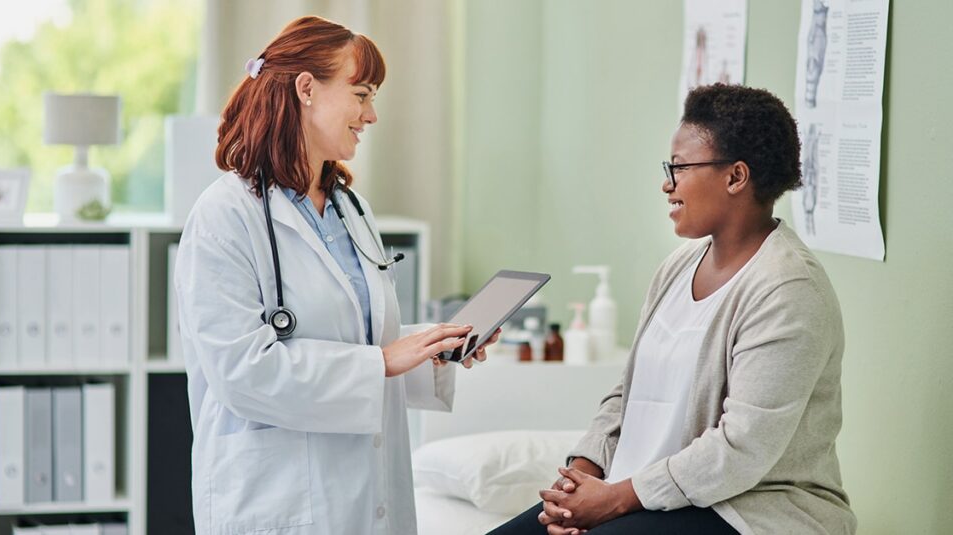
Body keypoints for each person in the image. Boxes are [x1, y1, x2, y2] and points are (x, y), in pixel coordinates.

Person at [174, 16, 495, 535]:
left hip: (367, 495)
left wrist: (433, 347)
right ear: (306, 89)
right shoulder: (226, 214)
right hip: (277, 499)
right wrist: (382, 362)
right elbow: (242, 373)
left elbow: (364, 344)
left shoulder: (352, 209)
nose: (371, 115)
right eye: (362, 94)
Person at [490, 84, 855, 534]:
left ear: (736, 177)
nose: (667, 183)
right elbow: (627, 392)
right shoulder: (678, 267)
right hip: (648, 493)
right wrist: (582, 479)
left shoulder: (788, 290)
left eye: (679, 167)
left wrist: (613, 501)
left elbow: (741, 449)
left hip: (747, 510)